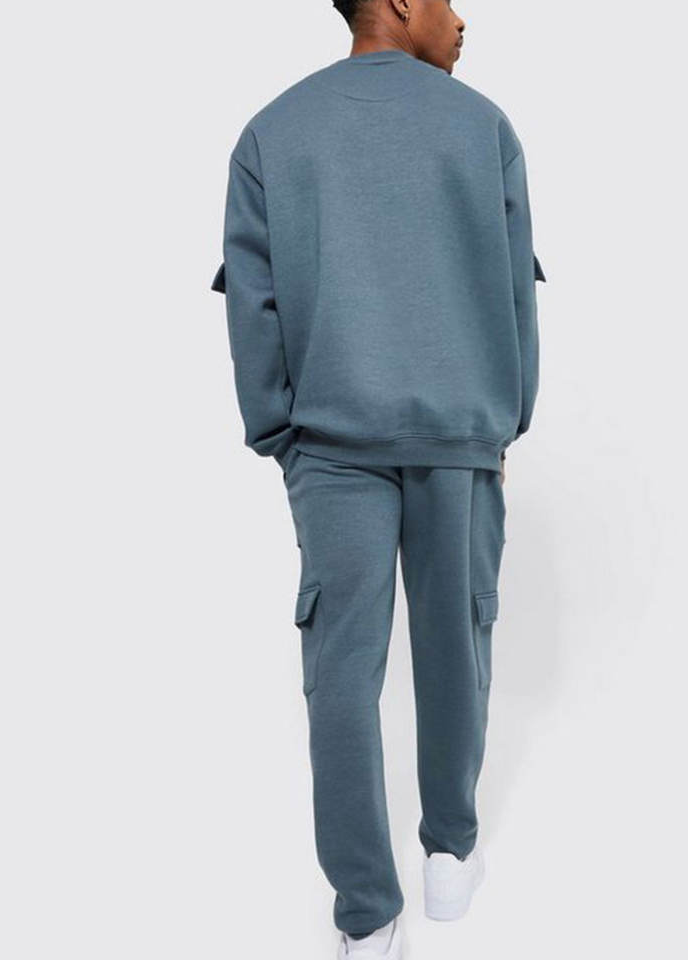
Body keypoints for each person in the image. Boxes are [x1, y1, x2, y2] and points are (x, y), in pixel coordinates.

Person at [211, 1, 545, 956]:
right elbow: (517, 295)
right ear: (399, 0)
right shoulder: (481, 126)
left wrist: (281, 432)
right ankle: (449, 855)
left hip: (331, 442)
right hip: (459, 435)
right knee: (456, 648)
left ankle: (366, 916)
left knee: (341, 676)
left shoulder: (273, 130)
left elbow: (253, 303)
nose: (461, 19)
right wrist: (504, 419)